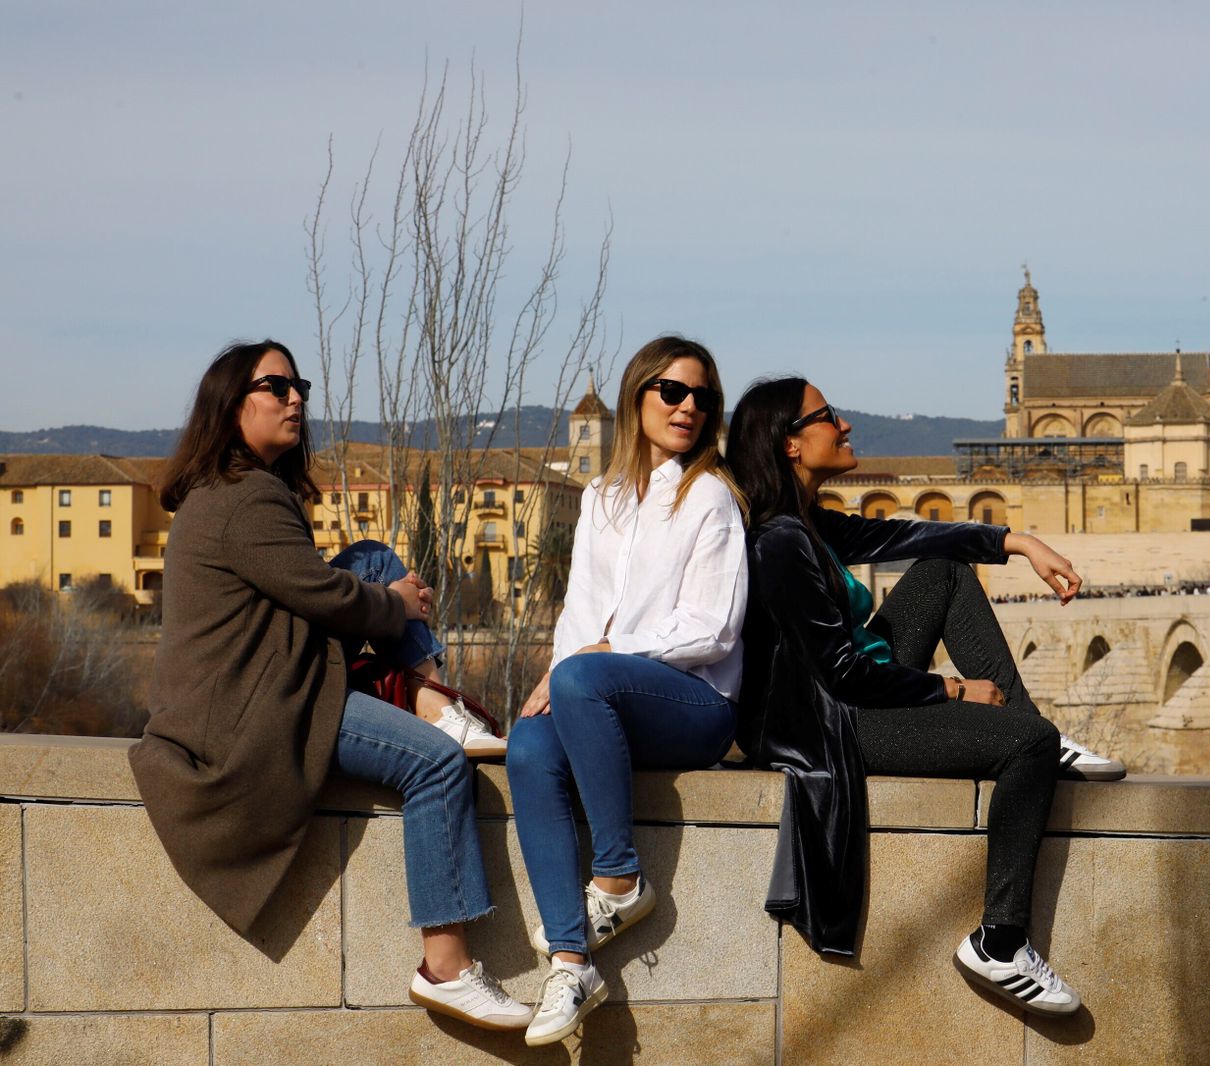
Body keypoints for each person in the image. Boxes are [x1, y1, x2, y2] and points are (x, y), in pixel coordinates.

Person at [129, 340, 530, 1031]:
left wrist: (387, 597)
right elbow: (322, 597)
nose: (296, 399)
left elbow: (320, 589)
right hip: (257, 714)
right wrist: (400, 605)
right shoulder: (244, 498)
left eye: (299, 386)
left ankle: (437, 700)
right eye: (276, 386)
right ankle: (447, 967)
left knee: (372, 557)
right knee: (436, 767)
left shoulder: (234, 489)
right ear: (231, 405)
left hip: (269, 679)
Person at [725, 377, 1125, 1017]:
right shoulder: (780, 543)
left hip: (857, 697)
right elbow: (842, 674)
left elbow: (913, 541)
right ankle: (1001, 941)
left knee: (943, 573)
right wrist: (953, 688)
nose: (846, 424)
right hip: (838, 724)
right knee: (1029, 742)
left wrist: (1016, 543)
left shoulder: (808, 525)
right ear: (791, 445)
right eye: (827, 416)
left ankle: (1035, 735)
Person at [506, 336, 748, 1047]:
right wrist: (555, 675)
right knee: (527, 744)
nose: (688, 408)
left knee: (582, 674)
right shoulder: (602, 498)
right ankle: (572, 962)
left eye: (702, 397)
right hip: (604, 696)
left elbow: (713, 629)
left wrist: (600, 657)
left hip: (698, 704)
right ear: (636, 398)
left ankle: (618, 880)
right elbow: (578, 612)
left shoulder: (711, 496)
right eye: (672, 392)